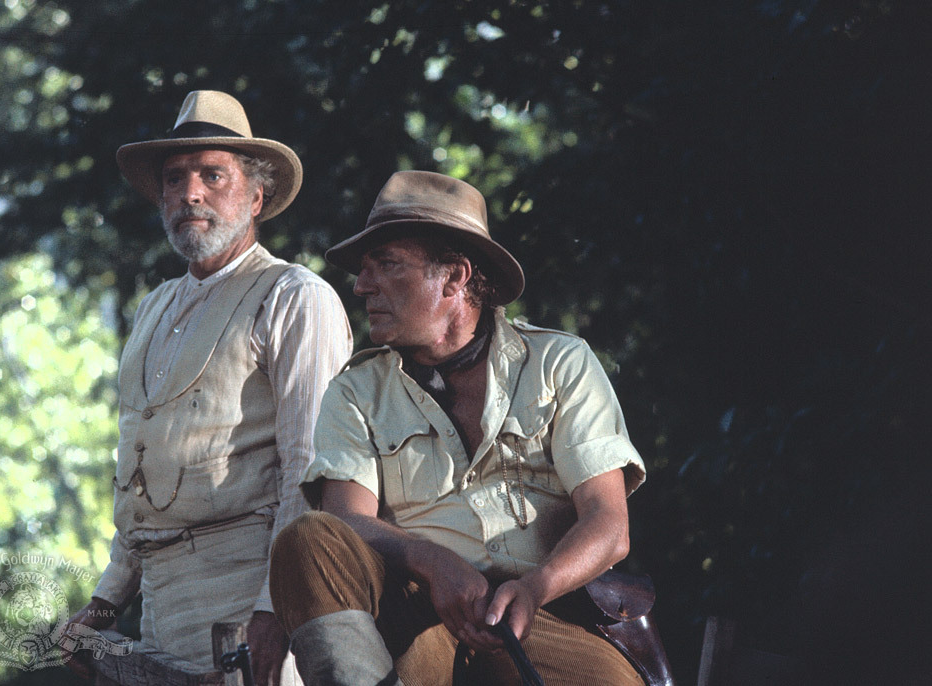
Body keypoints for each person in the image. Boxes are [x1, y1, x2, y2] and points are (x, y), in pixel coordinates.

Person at [270, 170, 648, 685]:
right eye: (363, 270)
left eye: (386, 265)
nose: (361, 286)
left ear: (454, 277)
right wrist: (430, 561)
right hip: (416, 618)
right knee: (307, 537)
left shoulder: (560, 363)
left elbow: (609, 524)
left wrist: (537, 587)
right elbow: (345, 521)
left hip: (543, 616)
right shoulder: (356, 390)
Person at [67, 90, 352, 685]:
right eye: (175, 179)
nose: (189, 193)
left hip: (251, 597)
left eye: (212, 174)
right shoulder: (154, 308)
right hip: (163, 609)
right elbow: (138, 479)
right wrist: (105, 603)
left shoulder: (294, 296)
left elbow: (311, 467)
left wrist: (278, 610)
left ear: (256, 196)